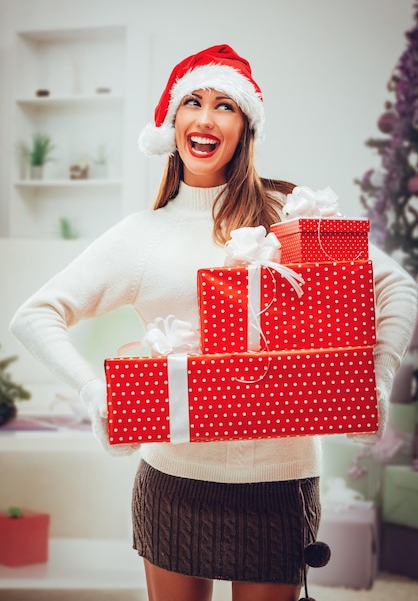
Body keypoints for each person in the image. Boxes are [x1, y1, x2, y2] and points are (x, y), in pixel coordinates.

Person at [10, 44, 418, 601]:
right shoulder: (141, 235)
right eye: (193, 102)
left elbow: (395, 284)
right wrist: (93, 391)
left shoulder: (292, 212)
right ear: (173, 120)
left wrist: (373, 380)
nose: (205, 119)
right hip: (173, 483)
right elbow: (35, 315)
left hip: (279, 483)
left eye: (224, 105)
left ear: (245, 125)